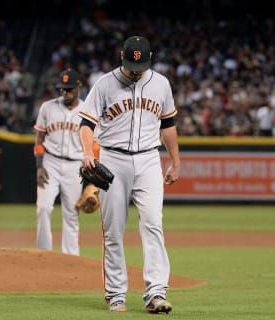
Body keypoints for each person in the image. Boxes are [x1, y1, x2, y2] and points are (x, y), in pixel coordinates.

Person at [78, 35, 181, 313]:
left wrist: (175, 161)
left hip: (149, 159)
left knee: (153, 225)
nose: (136, 71)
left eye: (141, 66)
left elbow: (168, 124)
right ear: (121, 56)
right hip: (113, 158)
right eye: (130, 65)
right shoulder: (104, 83)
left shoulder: (160, 84)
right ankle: (115, 294)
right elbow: (86, 124)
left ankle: (156, 293)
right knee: (113, 231)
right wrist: (89, 152)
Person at [33, 68, 85, 256]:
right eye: (62, 89)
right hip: (50, 163)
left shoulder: (87, 111)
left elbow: (94, 145)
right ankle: (43, 254)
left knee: (71, 214)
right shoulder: (47, 107)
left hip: (75, 166)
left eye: (69, 89)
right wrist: (40, 166)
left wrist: (92, 179)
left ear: (79, 86)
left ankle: (71, 258)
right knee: (44, 208)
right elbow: (39, 139)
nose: (65, 93)